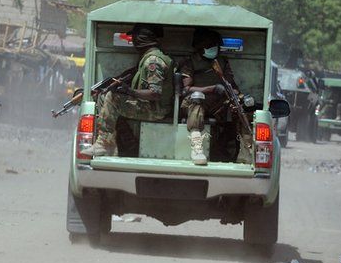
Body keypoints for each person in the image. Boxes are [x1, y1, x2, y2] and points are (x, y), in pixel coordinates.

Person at [82, 24, 174, 157]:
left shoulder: (153, 61)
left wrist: (130, 92)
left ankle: (104, 144)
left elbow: (155, 93)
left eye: (135, 37)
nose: (133, 41)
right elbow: (135, 74)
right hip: (151, 106)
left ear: (141, 39)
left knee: (112, 99)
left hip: (155, 109)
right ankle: (126, 143)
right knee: (105, 98)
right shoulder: (148, 58)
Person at [180, 28, 253, 165]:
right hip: (194, 103)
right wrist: (212, 89)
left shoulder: (222, 62)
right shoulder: (190, 62)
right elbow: (187, 89)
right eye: (210, 46)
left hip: (217, 104)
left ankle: (244, 151)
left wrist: (237, 97)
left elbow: (231, 84)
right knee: (197, 100)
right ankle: (197, 148)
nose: (215, 49)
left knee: (241, 108)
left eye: (216, 46)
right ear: (200, 47)